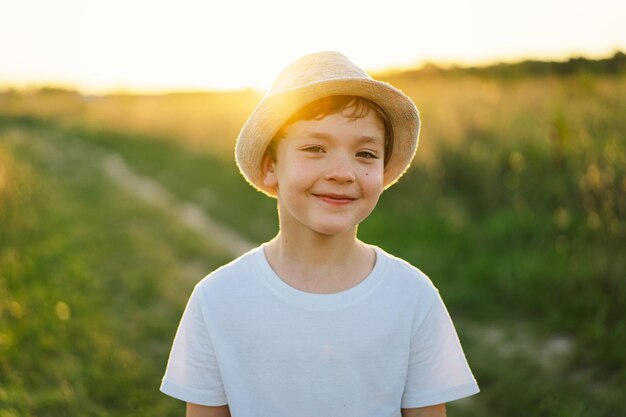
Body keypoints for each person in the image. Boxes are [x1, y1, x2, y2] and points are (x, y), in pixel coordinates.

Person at [160, 51, 479, 417]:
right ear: (270, 167)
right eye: (315, 148)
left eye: (365, 153)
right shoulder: (217, 299)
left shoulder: (412, 296)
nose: (343, 172)